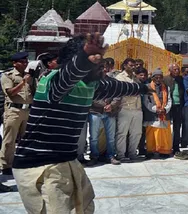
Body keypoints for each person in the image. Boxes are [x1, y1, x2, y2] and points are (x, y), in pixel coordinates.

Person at [12, 33, 151, 213]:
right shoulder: (56, 80)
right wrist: (84, 58)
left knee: (85, 207)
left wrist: (143, 87)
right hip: (41, 165)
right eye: (95, 61)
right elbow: (69, 76)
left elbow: (117, 87)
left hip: (65, 160)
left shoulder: (90, 85)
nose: (101, 66)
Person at [1, 52, 33, 177]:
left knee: (26, 139)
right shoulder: (8, 75)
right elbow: (11, 93)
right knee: (10, 140)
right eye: (22, 62)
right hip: (13, 111)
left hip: (27, 110)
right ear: (15, 63)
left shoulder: (29, 76)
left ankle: (22, 161)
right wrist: (23, 82)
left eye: (26, 62)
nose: (25, 64)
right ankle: (5, 165)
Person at [86, 62, 122, 166]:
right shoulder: (91, 82)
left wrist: (112, 105)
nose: (104, 70)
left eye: (105, 68)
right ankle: (94, 156)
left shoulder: (113, 81)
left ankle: (110, 156)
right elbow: (90, 97)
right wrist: (103, 105)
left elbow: (118, 96)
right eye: (101, 68)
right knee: (94, 137)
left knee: (110, 137)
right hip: (95, 112)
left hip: (110, 112)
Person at [115, 58, 143, 162]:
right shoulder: (119, 77)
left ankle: (132, 153)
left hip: (137, 108)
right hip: (125, 108)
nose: (133, 67)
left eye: (134, 65)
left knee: (136, 133)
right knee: (122, 133)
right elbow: (120, 91)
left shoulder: (135, 78)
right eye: (131, 65)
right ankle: (120, 155)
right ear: (125, 66)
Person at [143, 69, 173, 158]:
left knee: (164, 133)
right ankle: (151, 151)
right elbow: (146, 102)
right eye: (156, 77)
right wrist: (155, 109)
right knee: (152, 133)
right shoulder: (147, 87)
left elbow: (169, 100)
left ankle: (164, 151)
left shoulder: (166, 88)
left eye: (160, 77)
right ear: (152, 78)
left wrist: (165, 109)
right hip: (152, 114)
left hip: (164, 113)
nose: (158, 79)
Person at [164, 64, 185, 155]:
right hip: (168, 106)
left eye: (178, 69)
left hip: (178, 105)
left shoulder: (181, 79)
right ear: (170, 70)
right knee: (166, 127)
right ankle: (165, 147)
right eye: (175, 69)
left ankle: (176, 147)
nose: (177, 71)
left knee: (177, 127)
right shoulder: (165, 79)